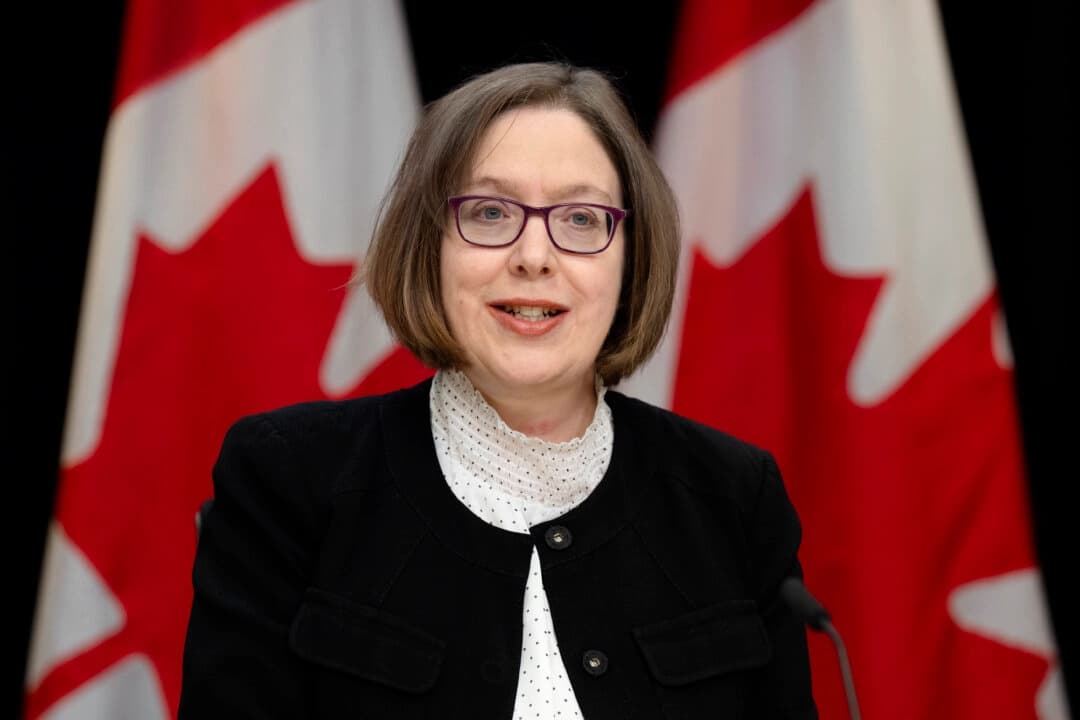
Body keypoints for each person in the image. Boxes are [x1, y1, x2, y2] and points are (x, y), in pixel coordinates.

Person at [178, 61, 818, 719]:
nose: (535, 256)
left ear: (632, 259)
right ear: (429, 248)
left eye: (579, 219)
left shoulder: (733, 497)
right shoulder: (289, 480)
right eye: (489, 211)